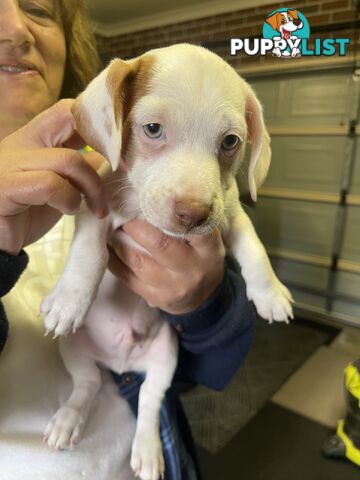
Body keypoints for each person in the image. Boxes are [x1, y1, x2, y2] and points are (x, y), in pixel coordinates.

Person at [0, 1, 256, 479]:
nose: (15, 28)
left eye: (37, 9)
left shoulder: (135, 174)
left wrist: (203, 305)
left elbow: (216, 372)